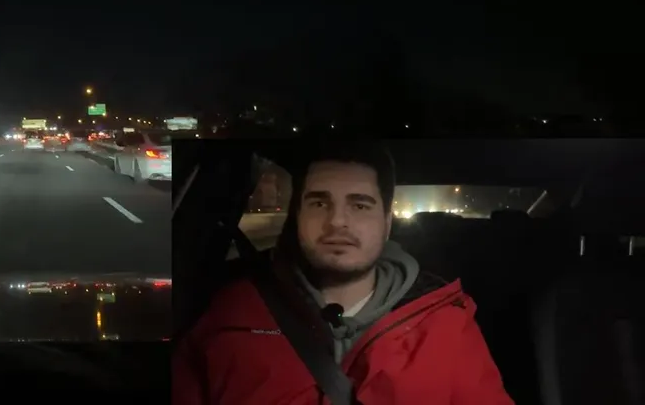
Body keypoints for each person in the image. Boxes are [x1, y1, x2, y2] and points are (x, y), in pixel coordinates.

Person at [173, 143, 512, 404]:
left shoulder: (448, 325)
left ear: (386, 223)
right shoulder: (229, 315)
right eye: (319, 203)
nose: (337, 221)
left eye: (360, 205)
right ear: (296, 217)